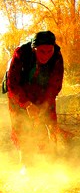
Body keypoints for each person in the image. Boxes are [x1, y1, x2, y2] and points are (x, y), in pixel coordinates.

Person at [5, 30, 65, 162]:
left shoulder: (57, 56)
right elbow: (12, 85)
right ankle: (25, 163)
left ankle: (50, 160)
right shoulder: (20, 54)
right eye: (42, 52)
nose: (46, 55)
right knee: (21, 127)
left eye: (49, 51)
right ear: (34, 49)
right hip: (19, 93)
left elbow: (55, 85)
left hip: (43, 93)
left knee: (49, 126)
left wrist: (43, 107)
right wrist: (27, 104)